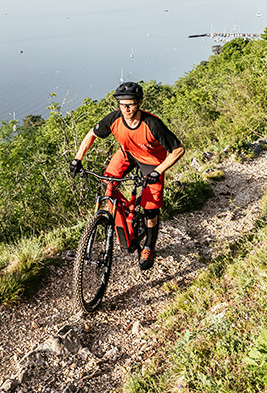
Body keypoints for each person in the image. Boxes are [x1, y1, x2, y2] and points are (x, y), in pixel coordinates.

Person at [69, 81, 185, 270]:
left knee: (150, 207)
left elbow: (178, 150)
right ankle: (118, 219)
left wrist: (158, 171)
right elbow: (92, 134)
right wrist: (77, 159)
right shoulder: (114, 119)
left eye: (130, 104)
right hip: (127, 153)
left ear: (139, 103)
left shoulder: (152, 124)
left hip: (152, 162)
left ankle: (148, 245)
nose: (126, 108)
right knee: (108, 183)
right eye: (122, 105)